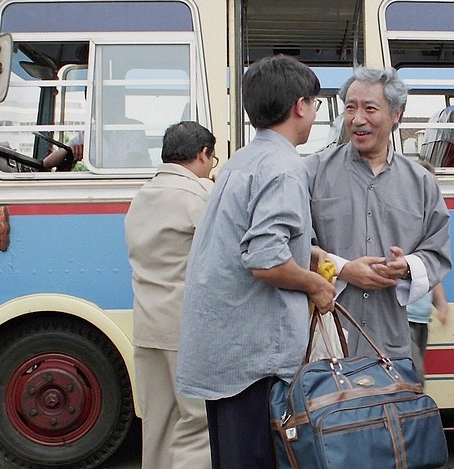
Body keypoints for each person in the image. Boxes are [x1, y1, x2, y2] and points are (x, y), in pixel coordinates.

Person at [175, 55, 335, 469]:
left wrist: (306, 253)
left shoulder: (242, 160)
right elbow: (265, 261)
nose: (314, 112)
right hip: (253, 358)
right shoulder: (284, 167)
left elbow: (245, 240)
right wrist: (316, 285)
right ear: (300, 106)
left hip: (225, 351)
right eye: (315, 103)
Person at [304, 66, 452, 361]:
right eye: (350, 108)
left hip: (391, 343)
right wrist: (344, 269)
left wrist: (407, 267)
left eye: (370, 108)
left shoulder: (421, 183)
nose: (358, 119)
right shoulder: (313, 172)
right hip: (328, 340)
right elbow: (293, 244)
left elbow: (437, 253)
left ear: (396, 114)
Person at [124, 121, 218, 469]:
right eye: (212, 159)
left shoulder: (142, 196)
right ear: (202, 154)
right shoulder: (198, 196)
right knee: (198, 422)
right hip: (187, 327)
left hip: (147, 324)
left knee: (158, 423)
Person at [406, 160, 450, 383]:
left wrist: (441, 303)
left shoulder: (427, 224)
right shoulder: (405, 222)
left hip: (420, 317)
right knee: (413, 378)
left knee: (414, 377)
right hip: (402, 317)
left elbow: (430, 270)